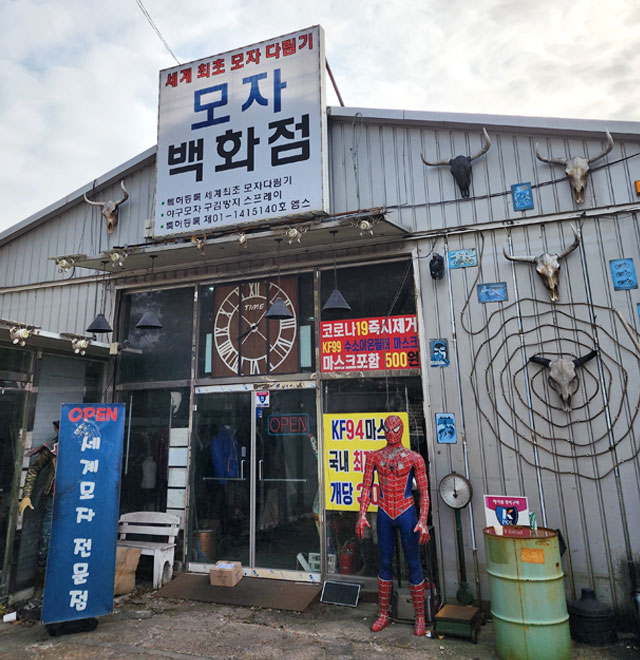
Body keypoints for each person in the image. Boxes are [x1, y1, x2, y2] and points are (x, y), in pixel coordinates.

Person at [355, 414, 430, 636]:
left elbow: (424, 492)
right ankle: (384, 614)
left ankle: (420, 617)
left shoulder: (414, 458)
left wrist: (423, 520)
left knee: (414, 563)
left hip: (407, 511)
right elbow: (366, 487)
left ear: (401, 429)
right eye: (387, 429)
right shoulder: (374, 457)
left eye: (394, 428)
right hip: (385, 512)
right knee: (384, 562)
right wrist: (361, 515)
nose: (391, 433)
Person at [18, 420, 59, 580]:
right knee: (46, 536)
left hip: (78, 500)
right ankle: (41, 575)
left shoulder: (87, 446)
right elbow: (34, 469)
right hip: (53, 497)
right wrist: (26, 495)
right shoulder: (52, 449)